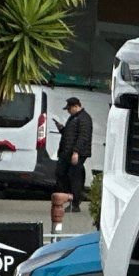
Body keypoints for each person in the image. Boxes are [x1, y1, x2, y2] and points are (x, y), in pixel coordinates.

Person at [50, 97, 93, 233]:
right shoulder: (74, 118)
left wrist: (76, 152)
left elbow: (83, 137)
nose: (68, 111)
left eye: (69, 109)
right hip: (66, 153)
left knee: (74, 177)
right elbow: (70, 135)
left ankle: (74, 202)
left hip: (76, 153)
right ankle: (70, 198)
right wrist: (62, 129)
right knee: (61, 174)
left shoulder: (84, 119)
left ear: (75, 106)